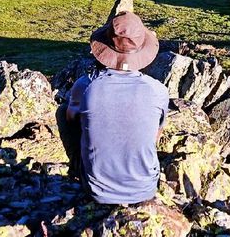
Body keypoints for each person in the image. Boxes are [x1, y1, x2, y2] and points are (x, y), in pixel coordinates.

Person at [64, 11, 169, 205]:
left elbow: (71, 117)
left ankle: (78, 169)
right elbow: (155, 136)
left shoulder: (85, 85)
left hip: (97, 192)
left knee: (64, 112)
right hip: (145, 189)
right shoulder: (158, 90)